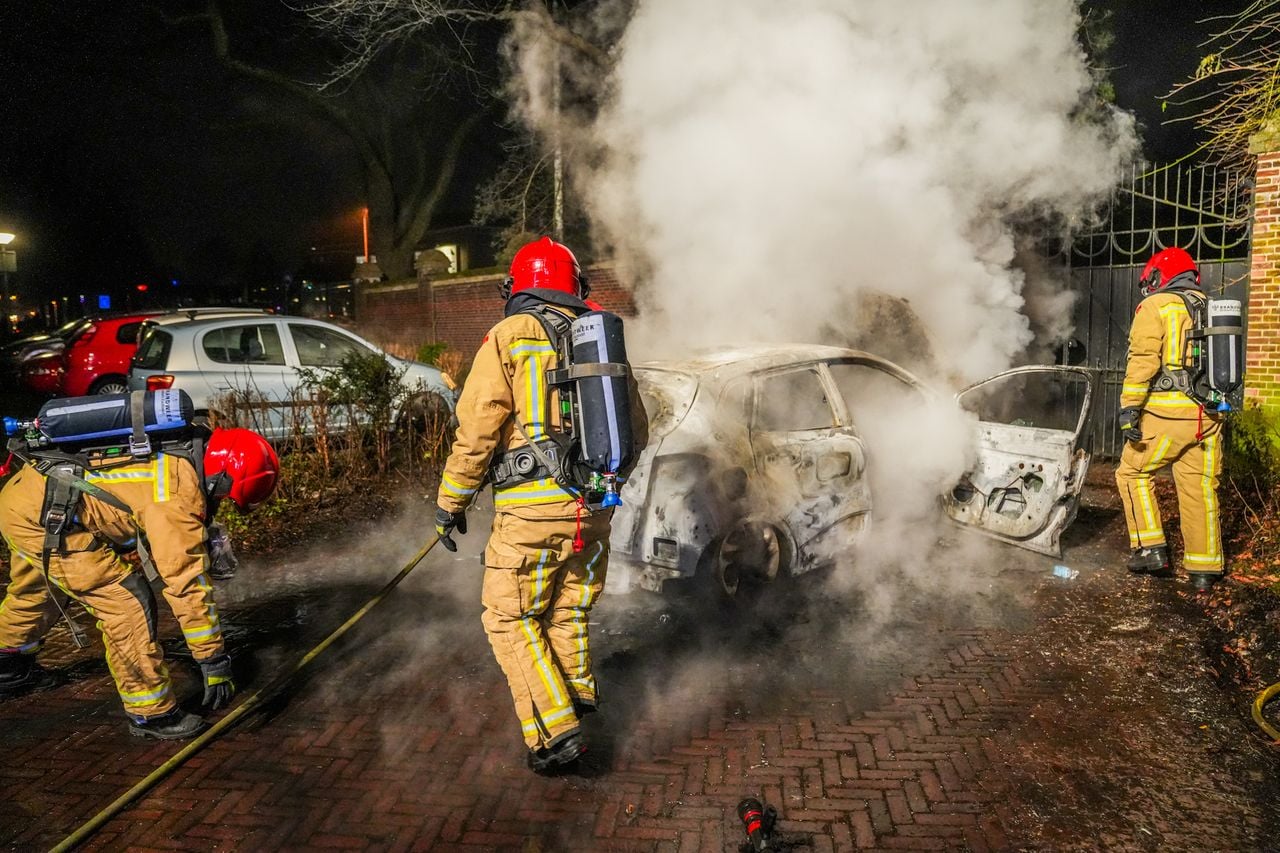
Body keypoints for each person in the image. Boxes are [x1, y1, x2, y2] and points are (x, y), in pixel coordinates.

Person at [434, 236, 648, 773]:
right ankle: (575, 699)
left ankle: (555, 733)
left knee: (509, 617)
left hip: (530, 513)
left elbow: (477, 429)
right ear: (577, 288)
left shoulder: (511, 335)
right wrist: (600, 484)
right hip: (595, 508)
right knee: (568, 608)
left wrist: (450, 502)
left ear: (517, 288)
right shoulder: (600, 338)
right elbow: (638, 427)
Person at [0, 426, 280, 738]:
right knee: (127, 605)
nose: (220, 502)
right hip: (44, 517)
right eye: (224, 496)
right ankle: (151, 712)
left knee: (39, 593)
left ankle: (7, 667)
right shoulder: (177, 494)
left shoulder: (183, 452)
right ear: (221, 478)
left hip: (25, 499)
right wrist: (212, 659)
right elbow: (186, 585)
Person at [1115, 246, 1224, 591]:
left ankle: (1150, 550)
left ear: (1160, 275)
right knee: (1200, 489)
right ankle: (1204, 570)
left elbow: (1143, 360)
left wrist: (1130, 408)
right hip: (1207, 418)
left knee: (1132, 473)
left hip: (1166, 415)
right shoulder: (1211, 307)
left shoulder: (1156, 306)